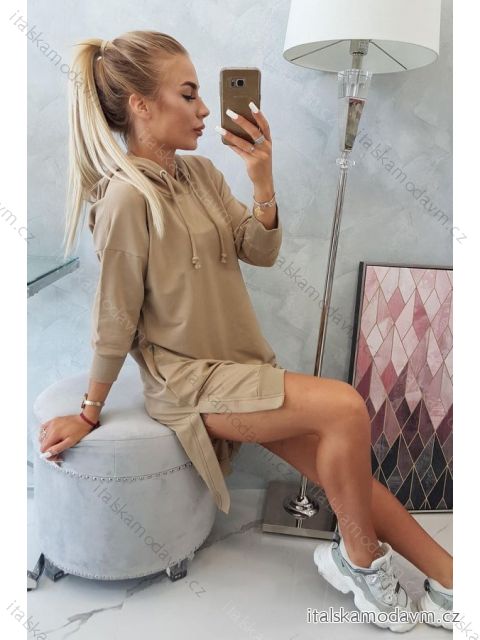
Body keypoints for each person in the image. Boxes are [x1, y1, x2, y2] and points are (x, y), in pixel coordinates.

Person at [38, 30, 453, 632]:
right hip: (189, 382)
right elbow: (115, 319)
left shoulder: (202, 174)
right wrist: (89, 410)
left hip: (241, 365)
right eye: (188, 94)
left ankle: (452, 579)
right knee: (344, 406)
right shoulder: (126, 199)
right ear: (140, 105)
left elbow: (259, 250)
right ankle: (361, 562)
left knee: (346, 473)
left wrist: (261, 179)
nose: (206, 109)